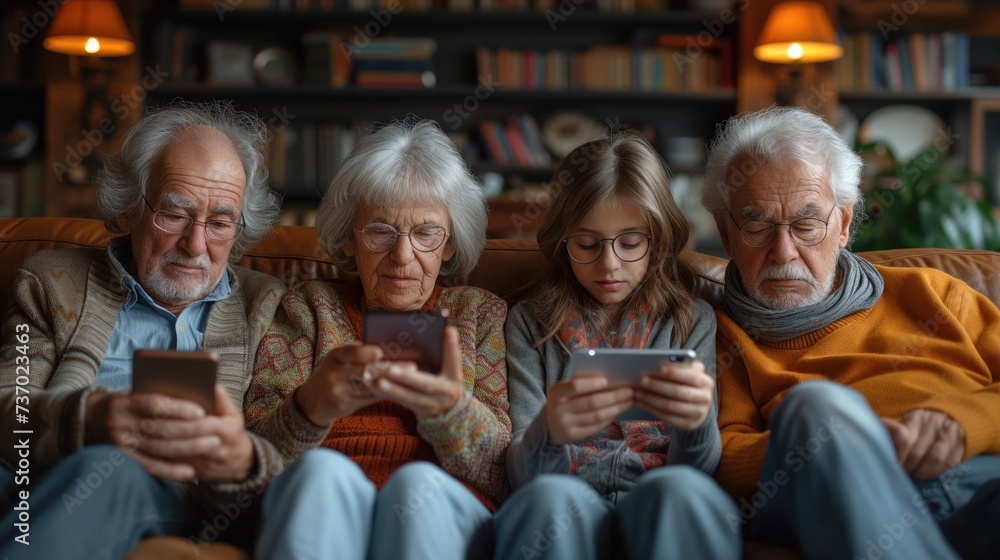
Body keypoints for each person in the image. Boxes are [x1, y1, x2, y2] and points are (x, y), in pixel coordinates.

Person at [702, 105, 1000, 559]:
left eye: (806, 224)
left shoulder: (936, 295)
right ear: (726, 234)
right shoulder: (719, 336)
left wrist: (964, 423)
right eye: (757, 224)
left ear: (842, 225)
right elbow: (726, 459)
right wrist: (847, 446)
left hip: (975, 485)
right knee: (817, 408)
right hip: (828, 497)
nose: (784, 252)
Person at [0, 101, 286, 558]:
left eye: (219, 222)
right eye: (174, 215)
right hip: (47, 472)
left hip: (186, 497)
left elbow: (286, 450)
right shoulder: (50, 282)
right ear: (131, 206)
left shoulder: (268, 307)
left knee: (109, 469)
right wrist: (90, 419)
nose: (195, 245)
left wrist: (239, 459)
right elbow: (8, 409)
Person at [243, 119, 511, 560]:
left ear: (449, 244)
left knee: (414, 484)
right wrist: (312, 405)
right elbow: (252, 459)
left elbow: (506, 473)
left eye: (426, 233)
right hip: (326, 497)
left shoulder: (478, 315)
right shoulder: (308, 309)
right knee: (325, 473)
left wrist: (450, 410)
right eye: (381, 231)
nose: (403, 257)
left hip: (438, 504)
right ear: (349, 237)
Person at [495, 131, 741, 560]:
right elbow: (524, 476)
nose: (609, 264)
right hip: (566, 494)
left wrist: (697, 421)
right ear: (561, 241)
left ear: (658, 239)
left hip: (658, 494)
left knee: (679, 490)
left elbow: (698, 470)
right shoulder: (530, 324)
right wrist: (547, 431)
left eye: (630, 243)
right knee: (548, 498)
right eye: (587, 244)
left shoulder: (690, 319)